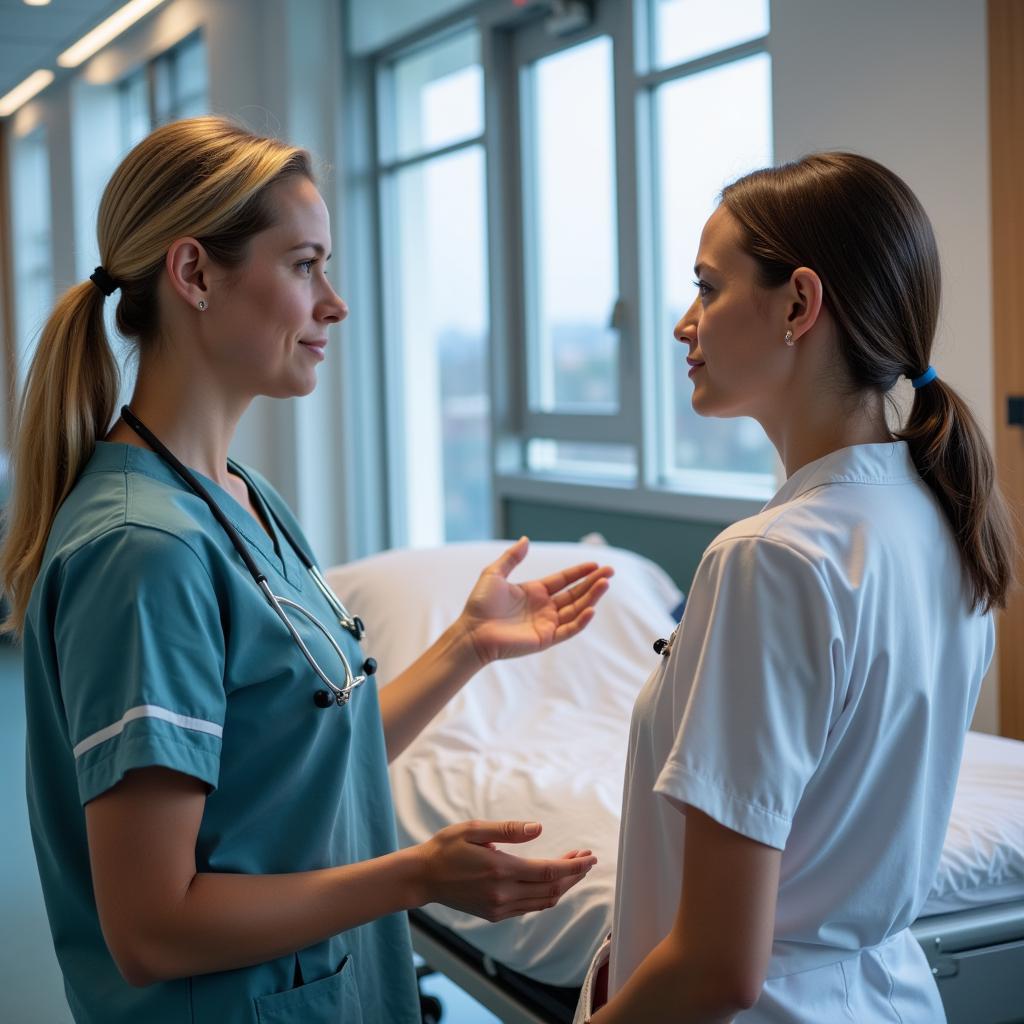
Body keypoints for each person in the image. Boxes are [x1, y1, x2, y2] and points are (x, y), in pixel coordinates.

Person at [0, 115, 614, 1024]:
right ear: (195, 274)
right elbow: (152, 928)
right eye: (304, 265)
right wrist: (415, 876)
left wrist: (467, 649)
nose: (335, 301)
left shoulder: (243, 498)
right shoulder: (142, 552)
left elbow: (304, 762)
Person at [577, 152, 1014, 1023]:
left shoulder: (772, 558)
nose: (682, 324)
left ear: (799, 304)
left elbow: (716, 967)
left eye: (707, 287)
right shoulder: (941, 520)